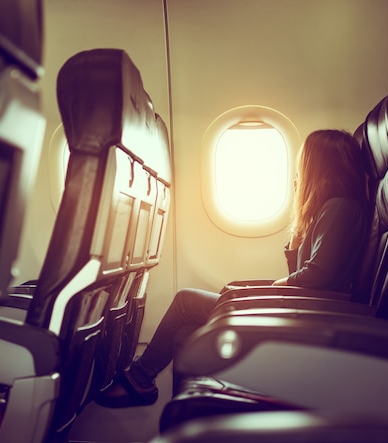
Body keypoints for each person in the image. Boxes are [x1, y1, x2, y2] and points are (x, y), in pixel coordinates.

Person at [95, 129, 369, 408]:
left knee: (185, 300)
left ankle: (139, 381)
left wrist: (271, 287)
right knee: (186, 332)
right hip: (301, 311)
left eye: (302, 167)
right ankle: (175, 405)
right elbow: (303, 269)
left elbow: (317, 275)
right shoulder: (329, 209)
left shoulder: (340, 209)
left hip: (310, 319)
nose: (297, 175)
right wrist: (298, 229)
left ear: (319, 166)